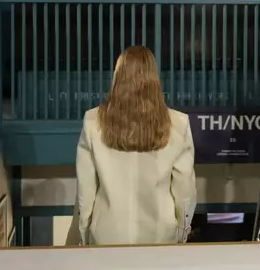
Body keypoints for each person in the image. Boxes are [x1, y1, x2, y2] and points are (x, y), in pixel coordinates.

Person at [72, 45, 196, 245]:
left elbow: (85, 190)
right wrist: (182, 232)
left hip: (106, 238)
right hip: (161, 238)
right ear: (154, 78)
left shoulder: (92, 121)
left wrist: (84, 233)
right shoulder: (179, 123)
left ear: (118, 76)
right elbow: (185, 190)